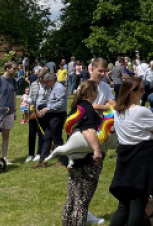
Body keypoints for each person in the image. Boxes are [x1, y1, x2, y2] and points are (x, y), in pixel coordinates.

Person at [108, 77, 153, 226]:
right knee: (138, 205)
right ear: (131, 92)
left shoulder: (118, 112)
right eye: (141, 90)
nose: (143, 92)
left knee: (124, 205)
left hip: (125, 159)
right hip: (141, 161)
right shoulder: (140, 111)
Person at [61, 80, 104, 226]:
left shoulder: (75, 108)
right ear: (92, 92)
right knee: (81, 202)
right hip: (87, 161)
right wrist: (97, 150)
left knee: (71, 200)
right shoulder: (88, 110)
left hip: (73, 160)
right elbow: (88, 130)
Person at [85, 57, 118, 226]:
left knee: (95, 174)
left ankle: (84, 210)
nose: (104, 75)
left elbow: (113, 103)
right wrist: (106, 107)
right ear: (92, 69)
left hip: (101, 132)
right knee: (86, 174)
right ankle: (83, 211)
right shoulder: (85, 86)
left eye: (106, 72)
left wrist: (108, 105)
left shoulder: (104, 86)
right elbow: (87, 106)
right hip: (87, 133)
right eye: (101, 71)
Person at [32, 72, 68, 168]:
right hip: (52, 115)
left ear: (51, 81)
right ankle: (42, 161)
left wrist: (47, 109)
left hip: (58, 116)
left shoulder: (59, 88)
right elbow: (52, 102)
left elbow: (60, 104)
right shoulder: (54, 88)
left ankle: (62, 159)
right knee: (47, 138)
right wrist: (46, 109)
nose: (46, 84)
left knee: (57, 138)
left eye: (46, 82)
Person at [25, 69, 47, 163]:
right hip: (33, 111)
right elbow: (30, 96)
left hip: (42, 111)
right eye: (39, 77)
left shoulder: (48, 85)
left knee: (41, 132)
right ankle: (30, 154)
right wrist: (30, 103)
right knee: (32, 132)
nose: (40, 79)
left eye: (42, 77)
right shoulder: (33, 84)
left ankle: (39, 152)